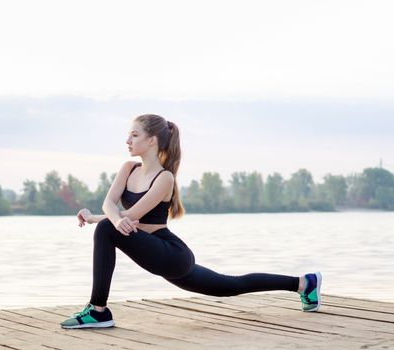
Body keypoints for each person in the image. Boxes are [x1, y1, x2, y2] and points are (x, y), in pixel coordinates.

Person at [60, 114, 322, 329]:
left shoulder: (165, 179)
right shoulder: (128, 168)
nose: (127, 140)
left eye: (134, 135)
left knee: (108, 227)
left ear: (152, 140)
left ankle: (98, 310)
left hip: (171, 253)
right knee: (230, 285)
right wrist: (97, 217)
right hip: (155, 251)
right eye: (129, 134)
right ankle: (303, 283)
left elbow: (130, 216)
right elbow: (110, 205)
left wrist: (109, 221)